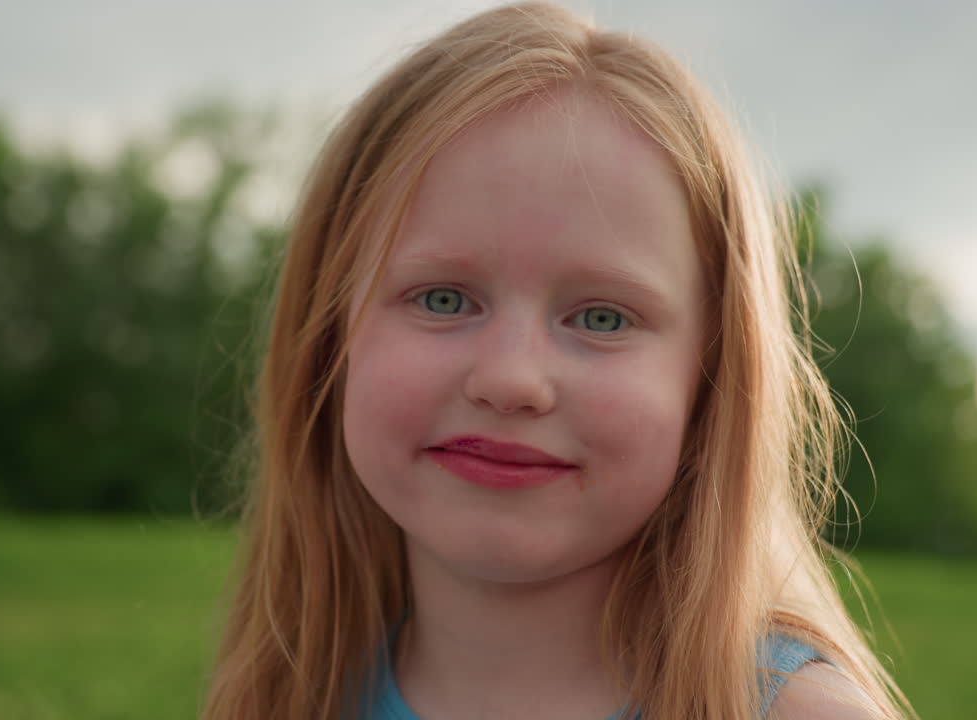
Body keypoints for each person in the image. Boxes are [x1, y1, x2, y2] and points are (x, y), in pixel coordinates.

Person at [203, 3, 912, 719]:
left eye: (602, 318)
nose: (511, 380)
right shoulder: (293, 694)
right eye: (443, 300)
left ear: (712, 382)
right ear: (330, 338)